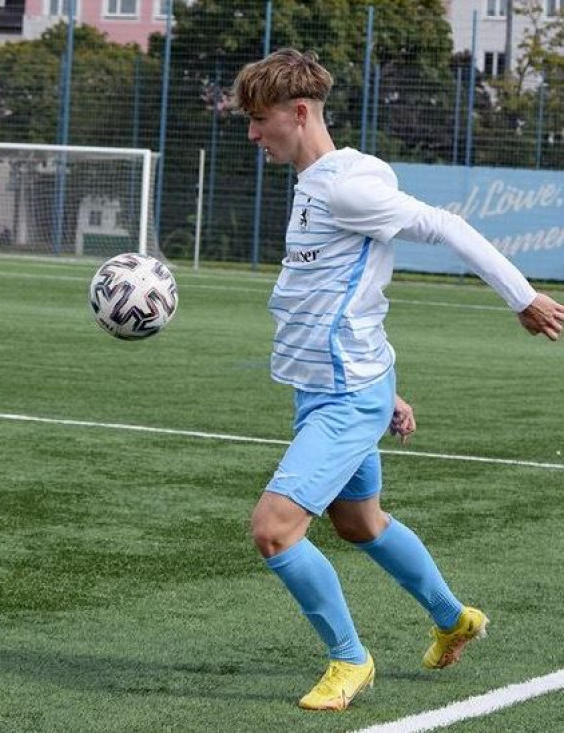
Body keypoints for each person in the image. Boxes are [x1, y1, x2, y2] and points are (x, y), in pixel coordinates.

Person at [232, 49, 564, 711]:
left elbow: (447, 225)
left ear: (300, 113)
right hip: (337, 388)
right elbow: (345, 296)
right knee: (360, 522)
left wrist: (523, 297)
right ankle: (453, 618)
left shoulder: (345, 188)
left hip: (344, 396)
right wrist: (385, 388)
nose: (251, 133)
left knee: (274, 528)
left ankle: (349, 659)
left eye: (260, 118)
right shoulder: (317, 182)